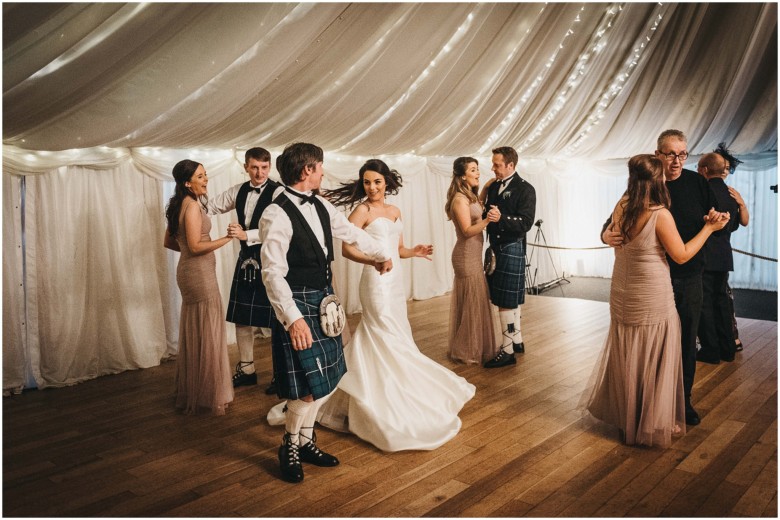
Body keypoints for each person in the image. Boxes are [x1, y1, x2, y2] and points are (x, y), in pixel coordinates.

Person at [276, 158, 473, 452]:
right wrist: (373, 260)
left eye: (377, 182)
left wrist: (413, 251)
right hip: (375, 282)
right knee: (381, 331)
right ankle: (377, 398)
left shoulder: (394, 211)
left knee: (396, 334)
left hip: (395, 282)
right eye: (366, 182)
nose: (372, 187)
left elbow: (397, 248)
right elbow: (347, 248)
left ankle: (396, 389)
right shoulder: (362, 210)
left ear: (386, 182)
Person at [259, 144, 392, 483]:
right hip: (298, 305)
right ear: (307, 171)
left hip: (324, 299)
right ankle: (289, 443)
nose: (322, 173)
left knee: (328, 377)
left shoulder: (320, 204)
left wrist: (380, 253)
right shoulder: (276, 213)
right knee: (306, 386)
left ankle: (305, 442)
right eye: (320, 167)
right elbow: (272, 273)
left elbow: (352, 234)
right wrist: (293, 319)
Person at [586, 154, 729, 448]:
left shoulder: (623, 205)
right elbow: (681, 254)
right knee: (655, 353)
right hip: (651, 291)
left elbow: (613, 236)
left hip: (623, 290)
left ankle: (631, 417)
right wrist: (709, 229)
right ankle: (650, 421)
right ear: (658, 179)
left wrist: (604, 235)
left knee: (631, 353)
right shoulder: (659, 213)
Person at [163, 160, 235, 415]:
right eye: (201, 177)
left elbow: (171, 242)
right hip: (199, 274)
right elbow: (193, 247)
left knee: (199, 328)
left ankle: (198, 389)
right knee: (207, 328)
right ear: (186, 182)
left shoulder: (179, 205)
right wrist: (227, 238)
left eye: (206, 175)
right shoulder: (192, 206)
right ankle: (209, 394)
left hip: (190, 272)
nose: (206, 180)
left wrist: (191, 249)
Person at [207, 147, 280, 393]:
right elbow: (210, 207)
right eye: (255, 167)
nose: (259, 173)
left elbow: (282, 229)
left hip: (273, 261)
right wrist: (186, 205)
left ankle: (280, 375)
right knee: (242, 318)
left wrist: (245, 234)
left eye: (264, 167)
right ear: (246, 167)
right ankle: (247, 369)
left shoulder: (279, 192)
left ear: (269, 167)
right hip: (247, 261)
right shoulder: (238, 190)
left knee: (277, 320)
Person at [481, 146, 536, 368]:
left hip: (512, 246)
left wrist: (500, 218)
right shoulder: (494, 186)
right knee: (508, 300)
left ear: (510, 165)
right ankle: (517, 339)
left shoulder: (526, 189)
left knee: (505, 301)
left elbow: (525, 223)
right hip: (497, 247)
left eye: (497, 164)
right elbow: (486, 211)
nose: (493, 168)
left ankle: (507, 350)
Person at [445, 157, 501, 364]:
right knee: (472, 301)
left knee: (475, 301)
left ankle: (473, 344)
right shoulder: (459, 199)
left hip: (474, 255)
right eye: (473, 170)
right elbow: (468, 231)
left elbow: (479, 203)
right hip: (465, 255)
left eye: (477, 169)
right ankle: (466, 349)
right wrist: (488, 220)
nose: (478, 173)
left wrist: (486, 185)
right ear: (462, 175)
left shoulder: (470, 196)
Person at [695, 152, 747, 364]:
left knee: (705, 304)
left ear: (705, 170)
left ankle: (711, 351)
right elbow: (736, 224)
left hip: (704, 254)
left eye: (699, 168)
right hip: (724, 255)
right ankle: (728, 349)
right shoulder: (731, 194)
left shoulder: (701, 191)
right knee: (722, 303)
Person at [713, 142, 749, 352]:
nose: (725, 171)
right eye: (723, 167)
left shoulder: (731, 193)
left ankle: (731, 337)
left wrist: (742, 204)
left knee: (724, 297)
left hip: (720, 251)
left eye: (727, 168)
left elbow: (744, 222)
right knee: (721, 296)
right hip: (717, 252)